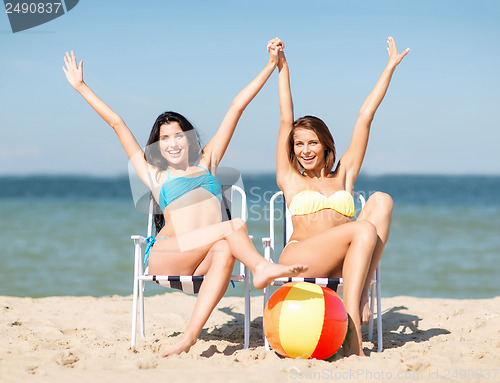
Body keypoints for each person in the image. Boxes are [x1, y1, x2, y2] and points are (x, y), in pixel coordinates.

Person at [62, 43, 307, 358]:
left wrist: (271, 65)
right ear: (157, 145)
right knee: (232, 226)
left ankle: (189, 336)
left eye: (178, 135)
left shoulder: (208, 162)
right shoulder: (156, 175)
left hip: (202, 256)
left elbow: (236, 107)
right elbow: (118, 123)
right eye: (164, 138)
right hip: (169, 253)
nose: (172, 142)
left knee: (225, 247)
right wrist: (82, 87)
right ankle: (261, 266)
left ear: (189, 138)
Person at [270, 37, 409, 356]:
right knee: (362, 229)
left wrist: (389, 68)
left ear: (326, 146)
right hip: (300, 259)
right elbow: (284, 119)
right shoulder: (289, 179)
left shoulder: (343, 174)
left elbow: (365, 117)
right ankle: (354, 335)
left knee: (382, 200)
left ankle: (359, 297)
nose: (305, 150)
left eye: (312, 143)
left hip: (342, 262)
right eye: (299, 144)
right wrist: (283, 66)